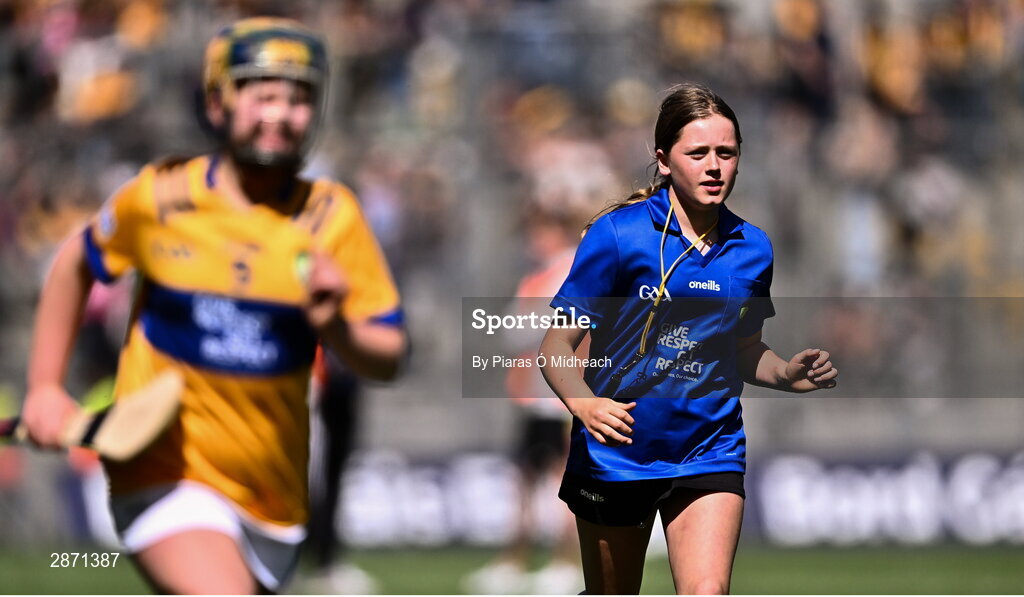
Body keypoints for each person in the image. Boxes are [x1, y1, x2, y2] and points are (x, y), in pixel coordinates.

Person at [20, 17, 407, 594]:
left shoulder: (332, 215)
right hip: (166, 474)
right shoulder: (160, 197)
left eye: (300, 98)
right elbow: (74, 264)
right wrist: (46, 387)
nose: (281, 113)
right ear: (218, 101)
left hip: (274, 499)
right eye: (264, 94)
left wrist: (337, 326)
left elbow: (389, 356)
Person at [538, 82, 838, 595]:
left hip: (709, 448)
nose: (714, 166)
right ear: (663, 160)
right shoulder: (616, 235)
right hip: (617, 451)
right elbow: (554, 348)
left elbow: (743, 349)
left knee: (707, 591)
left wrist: (785, 373)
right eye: (697, 153)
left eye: (726, 152)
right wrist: (585, 406)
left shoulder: (753, 248)